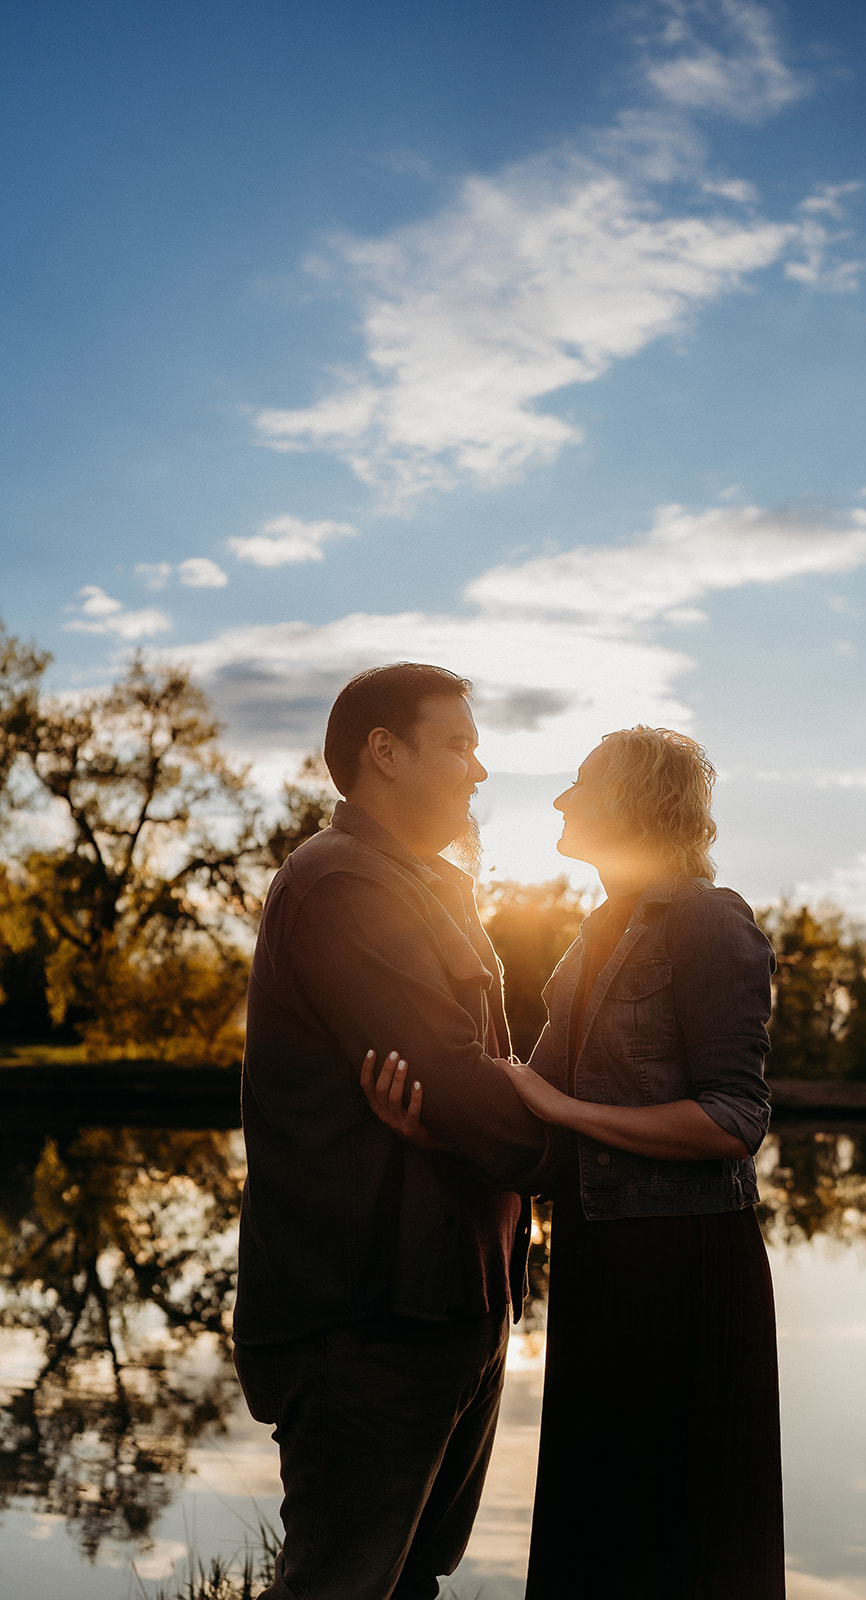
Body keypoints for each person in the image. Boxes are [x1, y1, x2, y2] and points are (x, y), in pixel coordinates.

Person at [367, 725, 785, 1600]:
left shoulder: (711, 920)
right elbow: (535, 1120)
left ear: (632, 800)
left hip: (687, 1270)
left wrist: (564, 1108)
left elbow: (733, 1118)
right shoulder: (594, 935)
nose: (559, 799)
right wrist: (431, 1127)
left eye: (580, 783)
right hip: (602, 1261)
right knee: (597, 1529)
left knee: (688, 1541)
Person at [233, 662, 550, 1600]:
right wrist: (602, 1146)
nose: (478, 770)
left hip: (457, 1305)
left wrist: (488, 1114)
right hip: (366, 1318)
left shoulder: (432, 887)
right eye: (457, 744)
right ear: (383, 753)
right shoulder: (339, 886)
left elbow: (475, 1080)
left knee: (408, 1587)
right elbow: (456, 1085)